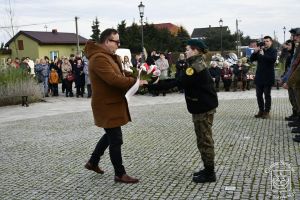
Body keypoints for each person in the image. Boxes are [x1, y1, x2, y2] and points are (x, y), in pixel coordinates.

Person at [84, 28, 147, 184]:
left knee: (110, 135)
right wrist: (136, 82)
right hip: (106, 105)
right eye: (116, 41)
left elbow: (121, 75)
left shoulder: (109, 56)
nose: (118, 44)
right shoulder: (99, 58)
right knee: (116, 138)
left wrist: (138, 75)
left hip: (112, 103)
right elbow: (113, 79)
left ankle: (93, 161)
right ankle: (120, 174)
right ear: (107, 41)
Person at [151, 39, 218, 183]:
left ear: (195, 50)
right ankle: (207, 169)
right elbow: (180, 80)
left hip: (203, 108)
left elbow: (178, 83)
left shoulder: (195, 67)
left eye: (187, 49)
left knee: (204, 140)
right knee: (203, 139)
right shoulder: (195, 63)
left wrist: (152, 86)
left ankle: (210, 173)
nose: (185, 52)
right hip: (203, 106)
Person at [250, 36, 277, 119]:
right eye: (264, 41)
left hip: (268, 76)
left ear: (271, 42)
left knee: (267, 95)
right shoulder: (260, 50)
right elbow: (251, 59)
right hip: (259, 76)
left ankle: (267, 111)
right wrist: (255, 52)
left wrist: (263, 55)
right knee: (258, 95)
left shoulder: (273, 50)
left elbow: (272, 60)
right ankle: (261, 111)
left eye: (267, 41)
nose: (265, 42)